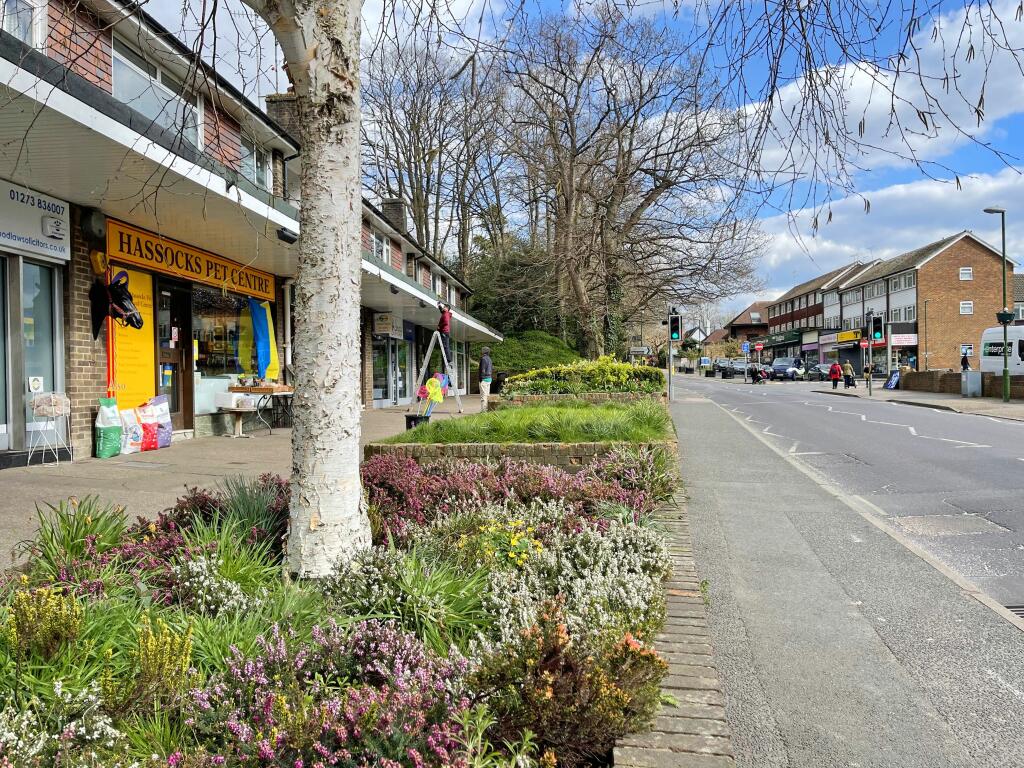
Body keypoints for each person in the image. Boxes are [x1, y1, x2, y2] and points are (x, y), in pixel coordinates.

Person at [436, 302, 452, 369]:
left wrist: (439, 326)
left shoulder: (446, 314)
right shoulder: (445, 313)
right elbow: (441, 311)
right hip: (445, 332)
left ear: (447, 308)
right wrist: (439, 305)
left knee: (445, 346)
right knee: (445, 345)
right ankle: (448, 360)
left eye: (444, 307)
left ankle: (449, 361)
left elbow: (445, 322)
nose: (443, 308)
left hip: (444, 332)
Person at [478, 346, 493, 412]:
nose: (481, 351)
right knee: (487, 395)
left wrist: (481, 379)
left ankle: (484, 411)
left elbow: (483, 370)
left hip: (484, 379)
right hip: (489, 379)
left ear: (483, 351)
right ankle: (487, 409)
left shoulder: (483, 359)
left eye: (482, 350)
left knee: (483, 396)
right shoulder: (489, 359)